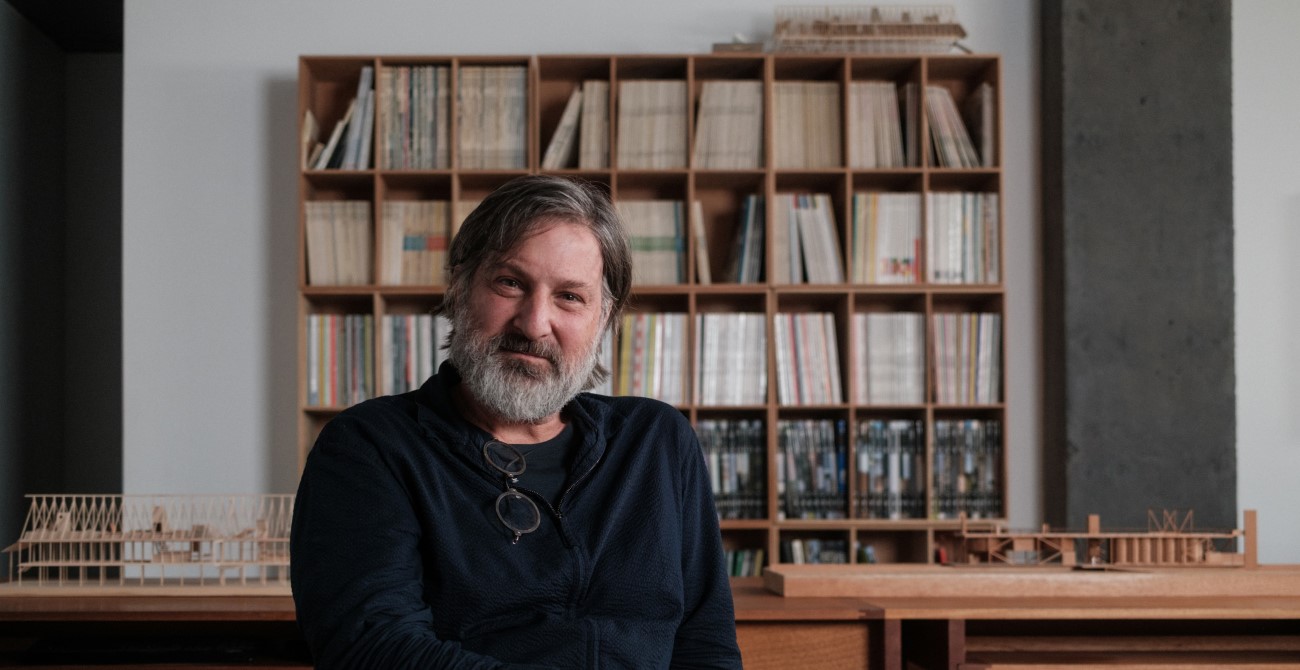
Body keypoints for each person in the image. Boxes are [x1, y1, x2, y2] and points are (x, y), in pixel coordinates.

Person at [290, 175, 742, 669]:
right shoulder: (369, 447)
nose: (533, 323)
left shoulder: (656, 441)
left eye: (570, 296)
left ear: (604, 318)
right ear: (460, 287)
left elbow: (706, 646)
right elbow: (374, 648)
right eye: (510, 283)